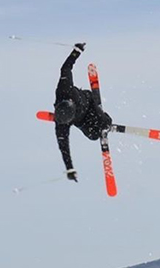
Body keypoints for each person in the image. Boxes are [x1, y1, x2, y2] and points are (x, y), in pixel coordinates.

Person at [54, 43, 113, 182]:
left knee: (104, 121)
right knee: (93, 135)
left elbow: (65, 68)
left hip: (89, 103)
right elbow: (64, 146)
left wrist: (76, 51)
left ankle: (106, 124)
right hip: (81, 120)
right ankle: (101, 129)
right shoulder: (61, 125)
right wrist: (69, 167)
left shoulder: (64, 88)